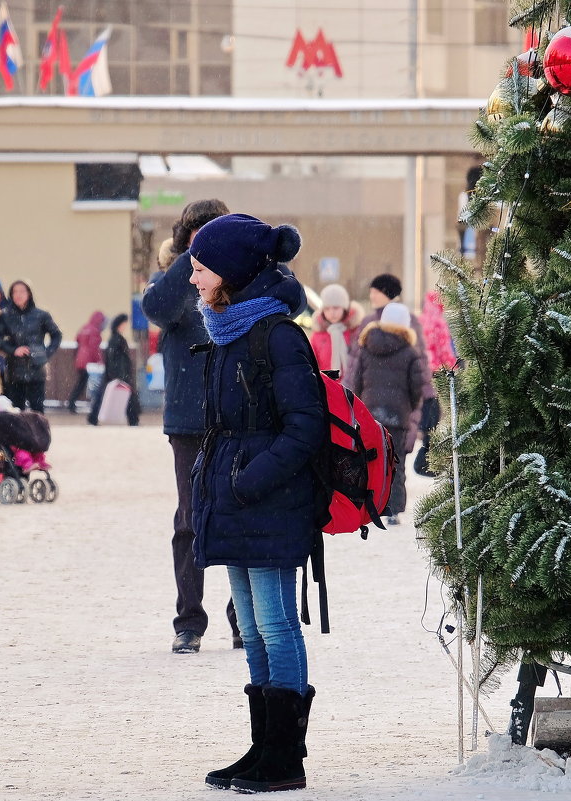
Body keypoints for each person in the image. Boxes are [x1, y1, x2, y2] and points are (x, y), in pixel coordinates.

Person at [188, 213, 324, 793]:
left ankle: (285, 758)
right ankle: (262, 746)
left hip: (269, 500)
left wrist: (249, 482)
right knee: (249, 621)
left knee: (274, 621)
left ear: (231, 272)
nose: (192, 278)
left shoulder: (278, 335)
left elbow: (305, 427)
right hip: (238, 498)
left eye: (199, 268)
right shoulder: (226, 331)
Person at [141, 199, 240, 655]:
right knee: (190, 520)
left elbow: (291, 297)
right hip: (188, 422)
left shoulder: (241, 277)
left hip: (239, 419)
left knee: (241, 514)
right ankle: (189, 621)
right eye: (197, 233)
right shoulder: (177, 281)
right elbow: (156, 308)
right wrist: (190, 258)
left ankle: (244, 617)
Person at [348, 302, 425, 526]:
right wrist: (410, 407)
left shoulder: (366, 345)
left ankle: (369, 504)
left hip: (370, 413)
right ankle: (392, 508)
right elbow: (417, 386)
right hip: (398, 415)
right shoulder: (410, 352)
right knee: (396, 463)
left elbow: (356, 380)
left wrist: (359, 407)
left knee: (370, 460)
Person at [347, 272, 434, 455]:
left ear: (387, 293)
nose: (372, 296)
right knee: (389, 460)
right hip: (390, 405)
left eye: (376, 292)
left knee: (383, 458)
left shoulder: (408, 321)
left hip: (387, 402)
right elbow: (356, 359)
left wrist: (427, 393)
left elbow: (419, 359)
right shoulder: (368, 321)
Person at [0, 280, 62, 413]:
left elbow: (56, 335)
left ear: (29, 293)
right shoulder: (6, 316)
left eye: (22, 291)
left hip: (36, 369)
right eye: (15, 292)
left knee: (37, 409)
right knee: (16, 410)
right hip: (14, 370)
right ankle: (17, 434)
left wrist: (45, 353)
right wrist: (13, 350)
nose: (18, 295)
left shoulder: (41, 315)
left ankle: (38, 433)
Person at [413, 289, 456, 477]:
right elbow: (444, 348)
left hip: (421, 373)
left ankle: (425, 453)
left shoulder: (420, 320)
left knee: (426, 412)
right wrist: (452, 367)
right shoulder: (439, 321)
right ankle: (426, 459)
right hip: (436, 373)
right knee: (433, 414)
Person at [87, 313, 140, 426]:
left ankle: (93, 418)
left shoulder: (116, 339)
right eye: (124, 324)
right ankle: (133, 420)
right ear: (119, 325)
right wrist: (120, 375)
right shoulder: (117, 340)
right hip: (119, 374)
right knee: (127, 397)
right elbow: (114, 359)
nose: (125, 327)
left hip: (116, 373)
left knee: (104, 395)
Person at [309, 283, 351, 378]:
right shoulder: (317, 335)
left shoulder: (354, 332)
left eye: (336, 308)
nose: (332, 313)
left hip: (351, 387)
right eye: (327, 309)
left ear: (344, 308)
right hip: (327, 386)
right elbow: (312, 364)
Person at [68, 310, 105, 414]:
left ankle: (72, 402)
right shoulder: (95, 331)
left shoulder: (85, 327)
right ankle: (72, 402)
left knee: (81, 382)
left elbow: (77, 340)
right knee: (83, 383)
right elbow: (94, 348)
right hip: (88, 361)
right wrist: (99, 360)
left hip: (80, 358)